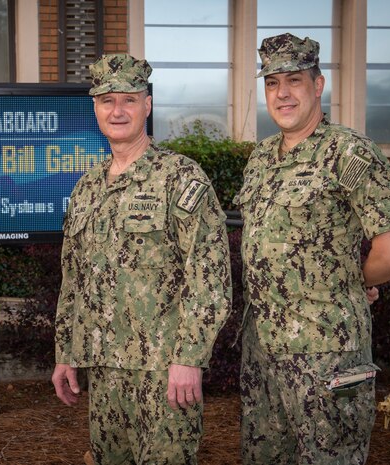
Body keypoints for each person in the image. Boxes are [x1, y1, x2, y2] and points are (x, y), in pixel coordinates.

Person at [234, 33, 390, 464]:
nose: (282, 93)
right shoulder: (261, 158)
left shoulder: (349, 154)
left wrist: (351, 284)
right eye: (272, 83)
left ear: (318, 85)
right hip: (263, 351)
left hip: (327, 352)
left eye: (294, 80)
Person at [51, 53, 232, 465]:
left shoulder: (180, 177)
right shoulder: (87, 188)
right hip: (104, 372)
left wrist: (189, 358)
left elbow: (210, 277)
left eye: (129, 100)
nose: (118, 110)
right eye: (107, 100)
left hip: (164, 375)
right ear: (95, 107)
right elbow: (73, 278)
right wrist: (66, 352)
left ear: (147, 105)